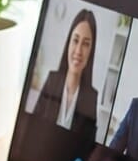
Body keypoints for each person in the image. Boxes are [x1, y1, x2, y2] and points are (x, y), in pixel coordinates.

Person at [31, 9, 100, 142]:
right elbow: (33, 125)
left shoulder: (91, 97)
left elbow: (87, 146)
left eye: (86, 44)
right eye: (75, 40)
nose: (78, 50)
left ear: (91, 51)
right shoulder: (52, 80)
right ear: (68, 43)